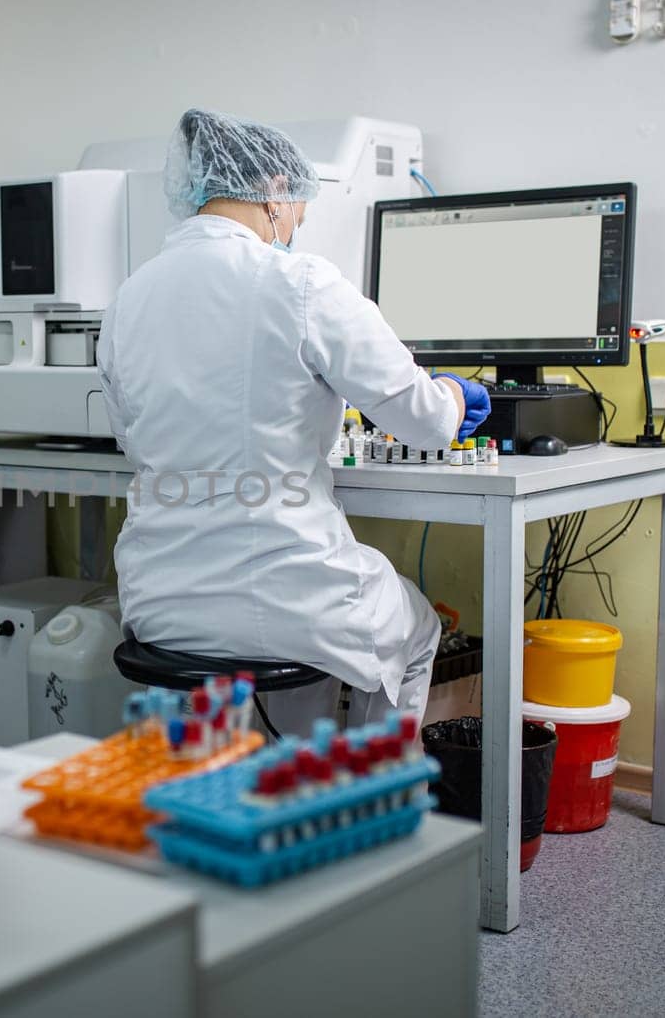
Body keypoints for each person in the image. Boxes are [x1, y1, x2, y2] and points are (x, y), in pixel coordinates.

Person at [96, 108, 490, 735]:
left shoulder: (127, 300)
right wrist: (450, 395)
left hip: (161, 602)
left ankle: (282, 792)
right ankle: (374, 812)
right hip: (288, 597)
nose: (296, 225)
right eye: (299, 208)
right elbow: (422, 419)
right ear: (276, 189)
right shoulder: (301, 282)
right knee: (416, 632)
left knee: (290, 671)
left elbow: (130, 438)